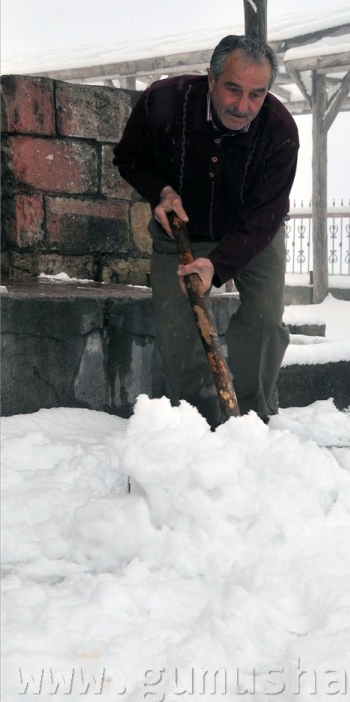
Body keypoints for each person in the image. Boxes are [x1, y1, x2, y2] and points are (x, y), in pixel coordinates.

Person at [113, 35, 300, 429]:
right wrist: (161, 192)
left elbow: (267, 214)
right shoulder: (163, 102)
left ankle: (251, 419)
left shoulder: (280, 129)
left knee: (266, 318)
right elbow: (129, 157)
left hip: (251, 232)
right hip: (180, 227)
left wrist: (216, 265)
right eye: (233, 89)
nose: (243, 106)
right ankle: (201, 423)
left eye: (256, 94)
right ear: (211, 79)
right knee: (178, 327)